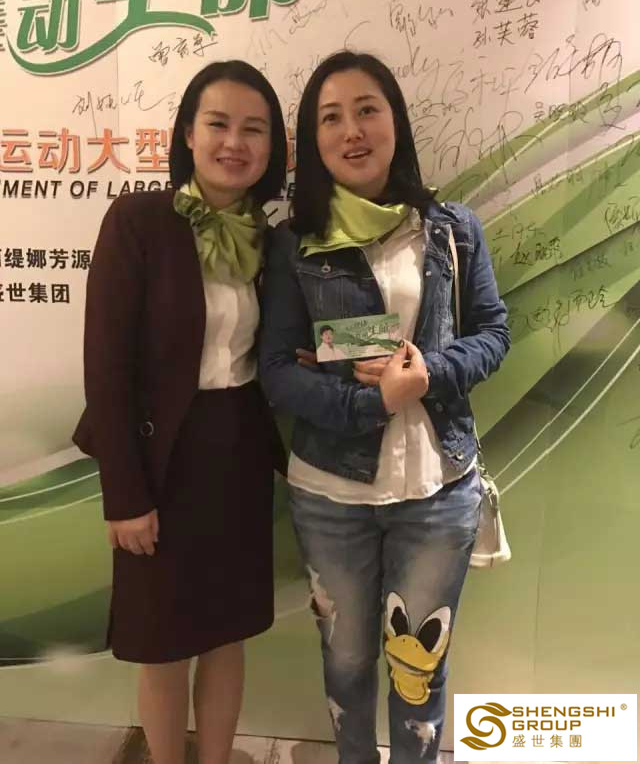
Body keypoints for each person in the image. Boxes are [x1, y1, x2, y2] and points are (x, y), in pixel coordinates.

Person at [259, 51, 510, 764]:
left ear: (395, 120)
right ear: (312, 140)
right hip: (330, 496)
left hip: (439, 490)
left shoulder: (452, 229)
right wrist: (372, 403)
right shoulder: (294, 243)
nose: (352, 130)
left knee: (417, 668)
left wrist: (431, 373)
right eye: (331, 117)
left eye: (367, 109)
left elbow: (494, 332)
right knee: (345, 663)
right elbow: (277, 373)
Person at [73, 60, 287, 764]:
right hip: (160, 459)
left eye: (254, 129)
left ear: (272, 147)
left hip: (238, 455)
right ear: (188, 134)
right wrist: (125, 496)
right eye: (218, 123)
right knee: (162, 642)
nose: (235, 142)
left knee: (225, 633)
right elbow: (106, 368)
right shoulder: (138, 221)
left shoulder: (272, 239)